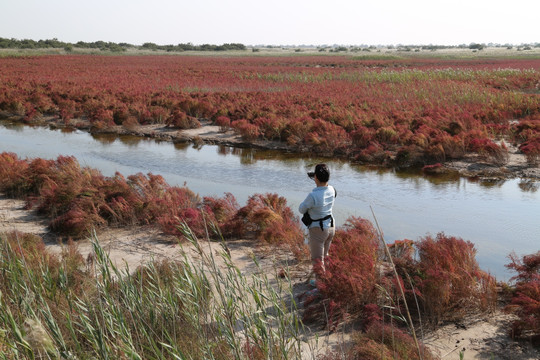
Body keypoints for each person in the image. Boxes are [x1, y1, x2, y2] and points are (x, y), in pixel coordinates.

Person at [299, 163, 336, 287]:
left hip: (318, 230)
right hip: (331, 227)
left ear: (315, 177)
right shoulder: (332, 189)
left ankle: (320, 287)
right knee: (325, 256)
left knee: (317, 260)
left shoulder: (313, 195)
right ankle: (329, 280)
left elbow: (301, 209)